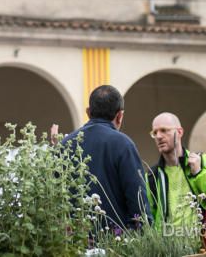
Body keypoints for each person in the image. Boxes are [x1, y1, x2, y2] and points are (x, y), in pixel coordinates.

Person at [61, 85, 148, 231]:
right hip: (116, 244)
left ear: (88, 112)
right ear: (120, 116)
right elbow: (138, 202)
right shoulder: (123, 144)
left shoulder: (65, 144)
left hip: (73, 244)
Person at [147, 112, 206, 230]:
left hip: (203, 245)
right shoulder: (152, 176)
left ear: (180, 132)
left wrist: (199, 174)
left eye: (164, 130)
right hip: (168, 246)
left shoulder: (205, 162)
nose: (159, 136)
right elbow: (150, 217)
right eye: (154, 133)